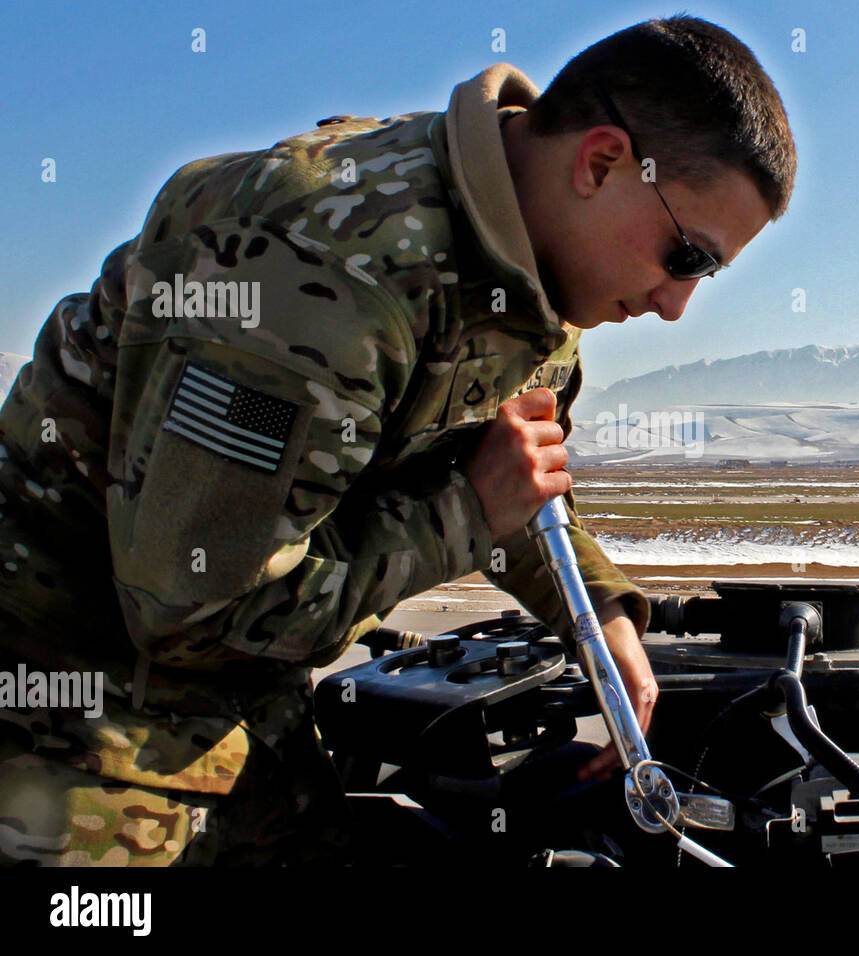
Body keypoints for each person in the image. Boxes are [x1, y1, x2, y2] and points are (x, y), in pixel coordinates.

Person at [0, 15, 796, 865]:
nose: (677, 305)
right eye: (687, 257)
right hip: (64, 696)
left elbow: (514, 484)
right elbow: (193, 610)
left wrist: (601, 619)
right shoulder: (312, 274)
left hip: (245, 703)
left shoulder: (530, 271)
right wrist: (464, 516)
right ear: (601, 163)